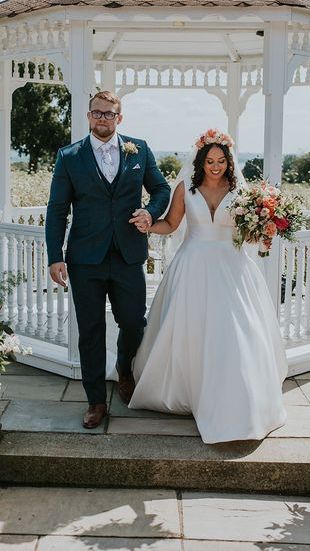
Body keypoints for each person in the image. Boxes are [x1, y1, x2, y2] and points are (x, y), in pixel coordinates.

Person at [128, 129, 287, 444]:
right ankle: (190, 390)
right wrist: (148, 225)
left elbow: (250, 236)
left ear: (229, 161)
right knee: (193, 329)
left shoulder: (242, 191)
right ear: (200, 160)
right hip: (193, 266)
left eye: (221, 161)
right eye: (210, 160)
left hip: (233, 267)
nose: (216, 166)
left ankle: (238, 401)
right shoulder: (185, 189)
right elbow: (171, 224)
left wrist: (265, 231)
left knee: (236, 332)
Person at [45, 91, 170, 429]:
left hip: (128, 255)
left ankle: (125, 368)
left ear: (120, 117)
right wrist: (55, 256)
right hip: (85, 259)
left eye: (109, 114)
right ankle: (96, 401)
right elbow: (57, 209)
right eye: (97, 113)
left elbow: (162, 190)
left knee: (133, 323)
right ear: (88, 116)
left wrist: (150, 211)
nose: (102, 118)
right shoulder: (69, 156)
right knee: (90, 330)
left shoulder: (139, 149)